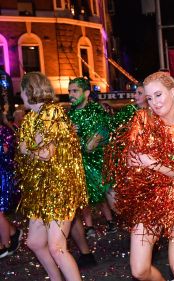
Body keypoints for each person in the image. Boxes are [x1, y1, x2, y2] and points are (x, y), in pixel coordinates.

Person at [106, 72, 174, 280]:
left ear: (173, 93)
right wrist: (134, 161)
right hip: (150, 196)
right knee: (139, 271)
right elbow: (133, 160)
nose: (154, 103)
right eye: (149, 98)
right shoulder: (142, 120)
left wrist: (154, 164)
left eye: (158, 95)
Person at [16, 72, 87, 281]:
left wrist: (28, 149)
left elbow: (46, 153)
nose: (19, 95)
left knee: (57, 247)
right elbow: (24, 151)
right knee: (35, 243)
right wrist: (30, 149)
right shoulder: (31, 118)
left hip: (60, 188)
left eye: (21, 91)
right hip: (41, 190)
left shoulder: (52, 113)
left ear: (30, 91)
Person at [67, 77, 115, 237]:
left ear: (86, 93)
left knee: (102, 192)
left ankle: (111, 221)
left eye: (75, 91)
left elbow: (97, 139)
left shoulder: (97, 111)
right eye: (69, 91)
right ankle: (89, 226)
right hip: (77, 162)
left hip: (97, 161)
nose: (71, 95)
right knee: (83, 196)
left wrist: (79, 140)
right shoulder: (69, 115)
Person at [0, 122, 21, 259]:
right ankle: (13, 233)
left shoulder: (4, 130)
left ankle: (5, 245)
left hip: (2, 175)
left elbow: (5, 151)